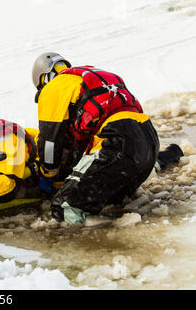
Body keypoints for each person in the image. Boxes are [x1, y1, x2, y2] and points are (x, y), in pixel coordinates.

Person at [31, 52, 162, 224]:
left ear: (43, 80)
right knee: (108, 203)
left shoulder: (54, 87)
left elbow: (49, 141)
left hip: (116, 143)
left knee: (64, 205)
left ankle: (84, 248)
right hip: (149, 140)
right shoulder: (90, 78)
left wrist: (48, 174)